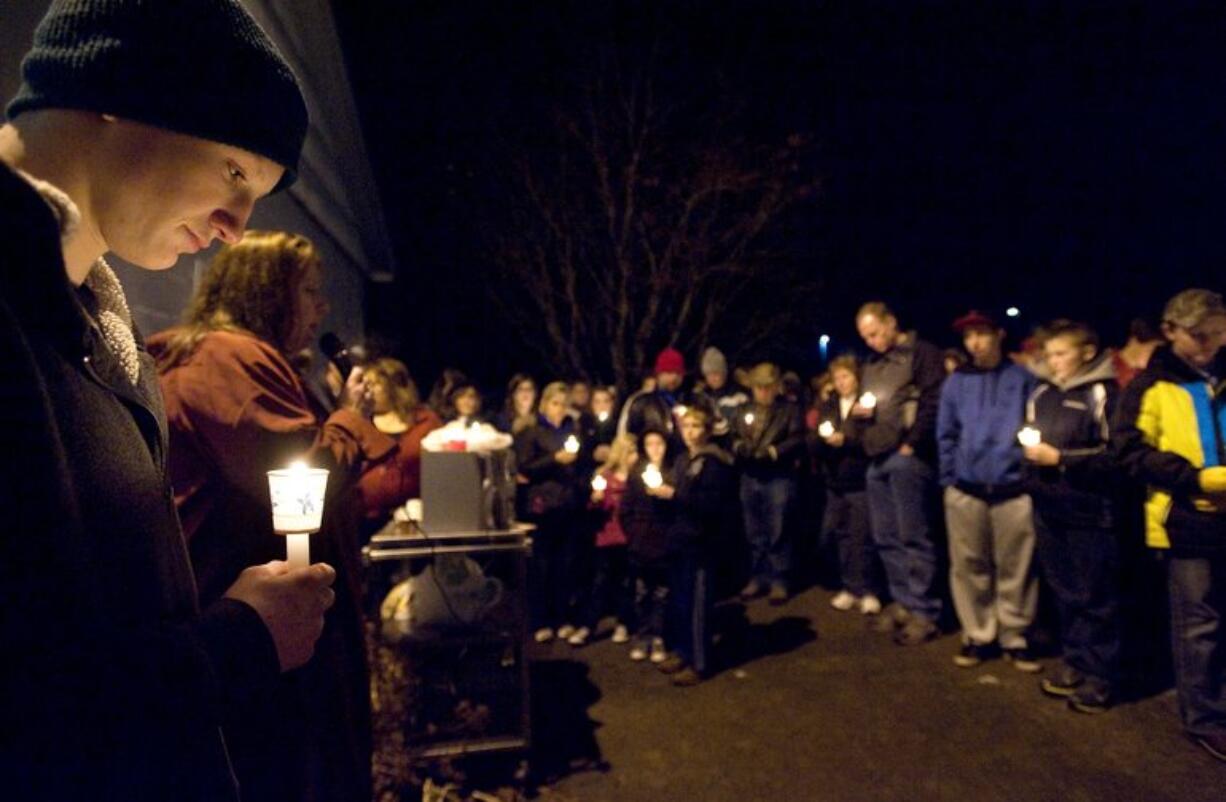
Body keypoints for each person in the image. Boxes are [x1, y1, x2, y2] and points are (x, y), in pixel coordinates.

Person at [0, 2, 335, 799]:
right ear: (121, 86)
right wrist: (240, 640)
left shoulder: (104, 339)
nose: (234, 228)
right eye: (234, 173)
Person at [151, 230, 396, 801]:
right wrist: (350, 419)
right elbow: (299, 486)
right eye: (309, 290)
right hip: (264, 644)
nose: (322, 307)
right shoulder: (228, 359)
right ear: (268, 292)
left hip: (268, 630)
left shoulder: (255, 361)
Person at [1112, 289, 1226, 762]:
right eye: (1201, 336)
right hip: (1186, 521)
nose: (1211, 344)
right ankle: (1206, 718)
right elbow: (1128, 453)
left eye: (1219, 333)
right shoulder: (1150, 386)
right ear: (1171, 332)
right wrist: (1195, 478)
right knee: (1199, 623)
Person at [1022, 320, 1122, 713]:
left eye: (1061, 354)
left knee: (1095, 592)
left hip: (1089, 510)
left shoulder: (1103, 393)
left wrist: (1061, 459)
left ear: (1087, 351)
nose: (1054, 362)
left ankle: (1102, 674)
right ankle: (1076, 660)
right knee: (1064, 589)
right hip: (1050, 507)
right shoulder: (1043, 393)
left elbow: (1114, 455)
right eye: (1049, 355)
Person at [937, 311, 1040, 672]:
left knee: (1016, 566)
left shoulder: (1022, 378)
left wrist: (1027, 476)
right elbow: (946, 432)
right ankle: (978, 633)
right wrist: (951, 478)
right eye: (968, 337)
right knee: (969, 565)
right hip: (967, 488)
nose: (974, 343)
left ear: (999, 334)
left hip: (1012, 488)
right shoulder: (956, 383)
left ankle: (1015, 633)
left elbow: (1034, 424)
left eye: (981, 334)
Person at [854, 301, 947, 645]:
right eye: (865, 337)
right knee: (886, 535)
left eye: (875, 333)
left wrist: (913, 442)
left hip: (906, 457)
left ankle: (925, 610)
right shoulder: (873, 364)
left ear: (892, 322)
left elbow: (933, 399)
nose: (872, 342)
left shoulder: (922, 354)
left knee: (913, 534)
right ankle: (903, 600)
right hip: (876, 456)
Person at [647, 407, 736, 686]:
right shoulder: (684, 460)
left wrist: (676, 494)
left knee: (698, 604)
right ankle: (683, 651)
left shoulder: (714, 463)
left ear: (707, 430)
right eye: (686, 426)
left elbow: (711, 505)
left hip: (702, 542)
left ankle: (700, 661)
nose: (690, 432)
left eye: (696, 426)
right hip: (681, 539)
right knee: (681, 600)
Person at [515, 381, 586, 643]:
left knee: (565, 564)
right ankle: (539, 620)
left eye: (563, 404)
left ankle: (562, 617)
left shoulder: (572, 429)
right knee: (541, 564)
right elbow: (525, 467)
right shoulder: (533, 431)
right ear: (545, 404)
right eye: (555, 403)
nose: (559, 410)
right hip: (542, 506)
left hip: (568, 504)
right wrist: (554, 459)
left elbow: (582, 462)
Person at [731, 362, 807, 604]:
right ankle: (758, 575)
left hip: (778, 476)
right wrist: (740, 447)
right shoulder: (743, 410)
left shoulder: (790, 410)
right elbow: (733, 435)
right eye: (758, 387)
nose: (762, 392)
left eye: (767, 387)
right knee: (754, 529)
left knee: (779, 527)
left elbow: (797, 438)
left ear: (776, 387)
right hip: (750, 475)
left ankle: (779, 578)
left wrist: (774, 451)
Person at [812, 355, 883, 616]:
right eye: (837, 378)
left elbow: (871, 437)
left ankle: (869, 589)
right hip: (835, 480)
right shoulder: (829, 405)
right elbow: (816, 437)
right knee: (841, 535)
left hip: (860, 478)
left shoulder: (865, 404)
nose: (841, 382)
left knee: (863, 536)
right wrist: (824, 440)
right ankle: (850, 586)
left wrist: (848, 441)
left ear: (857, 377)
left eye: (846, 376)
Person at [356, 358, 445, 528]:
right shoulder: (359, 423)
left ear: (394, 385)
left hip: (417, 520)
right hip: (365, 520)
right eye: (364, 384)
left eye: (373, 384)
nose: (366, 390)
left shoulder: (427, 422)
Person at [576, 434, 640, 646]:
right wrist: (595, 501)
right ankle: (588, 625)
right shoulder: (604, 475)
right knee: (600, 581)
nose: (635, 456)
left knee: (626, 582)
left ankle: (624, 622)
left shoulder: (636, 478)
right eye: (630, 451)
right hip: (607, 534)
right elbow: (592, 510)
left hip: (628, 536)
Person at [620, 428, 677, 663]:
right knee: (642, 592)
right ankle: (642, 635)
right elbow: (625, 510)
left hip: (665, 542)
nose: (655, 449)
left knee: (663, 594)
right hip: (642, 544)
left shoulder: (674, 471)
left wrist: (670, 495)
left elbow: (682, 505)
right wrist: (634, 534)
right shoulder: (636, 474)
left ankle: (659, 636)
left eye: (659, 443)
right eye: (649, 444)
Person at [618, 347, 689, 446]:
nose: (673, 378)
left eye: (677, 373)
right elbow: (627, 438)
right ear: (659, 374)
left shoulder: (693, 400)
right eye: (668, 372)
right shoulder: (641, 403)